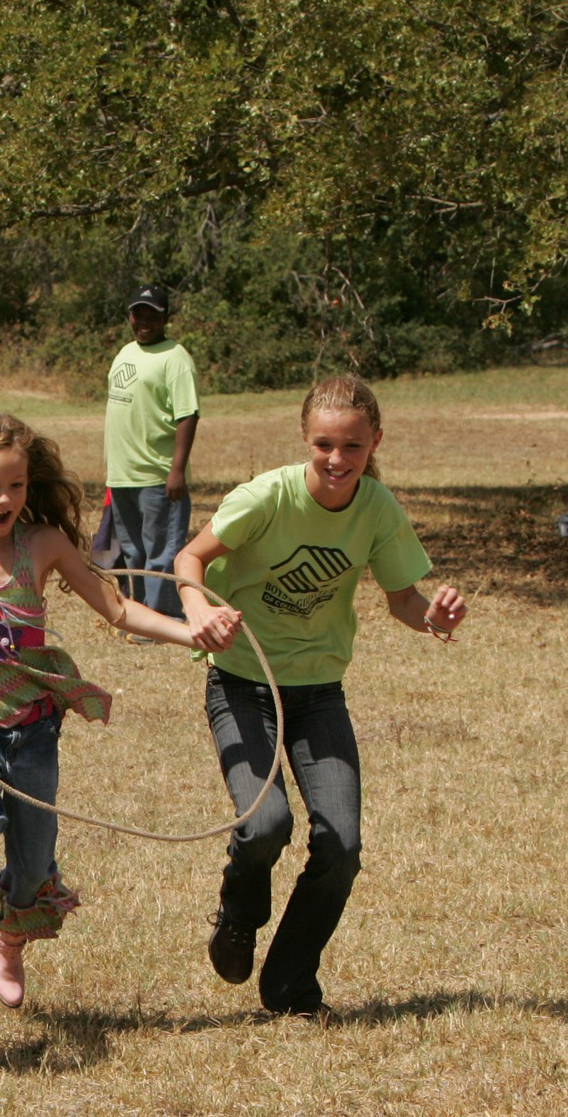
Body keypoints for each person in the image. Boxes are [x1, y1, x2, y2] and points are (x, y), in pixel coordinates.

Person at [173, 375, 467, 1024]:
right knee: (266, 823)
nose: (337, 459)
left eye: (352, 446)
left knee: (341, 844)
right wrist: (197, 606)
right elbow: (190, 557)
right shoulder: (268, 496)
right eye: (324, 445)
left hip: (318, 694)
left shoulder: (377, 508)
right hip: (241, 681)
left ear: (375, 442)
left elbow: (403, 599)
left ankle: (291, 987)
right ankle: (239, 913)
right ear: (306, 439)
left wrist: (435, 618)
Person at [0, 414, 196, 1026]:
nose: (3, 499)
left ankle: (11, 936)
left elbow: (116, 608)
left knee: (33, 857)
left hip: (33, 719)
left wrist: (191, 633)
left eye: (16, 485)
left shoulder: (45, 544)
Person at [103, 283, 200, 625]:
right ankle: (139, 618)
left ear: (165, 317)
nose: (144, 321)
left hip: (158, 475)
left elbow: (188, 415)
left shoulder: (176, 358)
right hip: (123, 474)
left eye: (152, 315)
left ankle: (165, 619)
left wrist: (177, 470)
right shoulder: (125, 352)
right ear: (130, 316)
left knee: (162, 553)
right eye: (138, 314)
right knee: (133, 552)